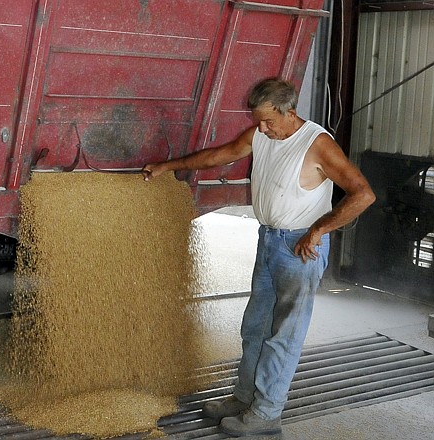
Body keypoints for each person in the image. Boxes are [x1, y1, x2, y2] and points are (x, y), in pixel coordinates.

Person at [142, 78, 375, 437]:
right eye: (258, 121)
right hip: (269, 241)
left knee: (284, 334)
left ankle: (266, 412)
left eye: (269, 122)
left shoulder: (317, 144)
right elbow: (220, 154)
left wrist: (319, 230)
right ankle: (244, 397)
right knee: (255, 327)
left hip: (301, 248)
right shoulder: (261, 136)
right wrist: (169, 166)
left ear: (290, 112)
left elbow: (362, 194)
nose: (262, 129)